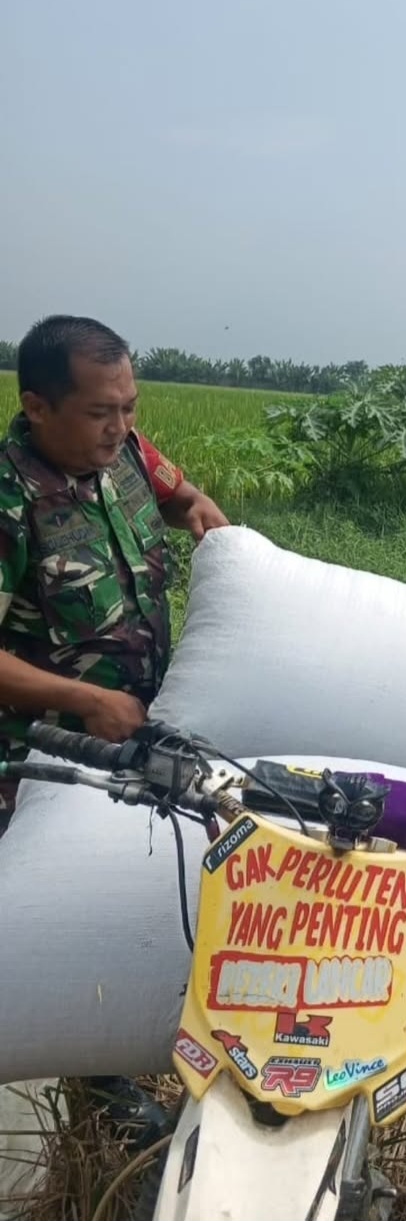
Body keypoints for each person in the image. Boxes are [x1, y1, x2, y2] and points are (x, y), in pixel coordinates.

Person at [0, 314, 230, 1146]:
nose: (121, 426)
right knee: (60, 924)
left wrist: (213, 527)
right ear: (36, 405)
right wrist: (80, 698)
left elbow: (185, 499)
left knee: (141, 894)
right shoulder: (8, 496)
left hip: (143, 740)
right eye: (101, 411)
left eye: (130, 406)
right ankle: (98, 1096)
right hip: (43, 767)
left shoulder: (126, 451)